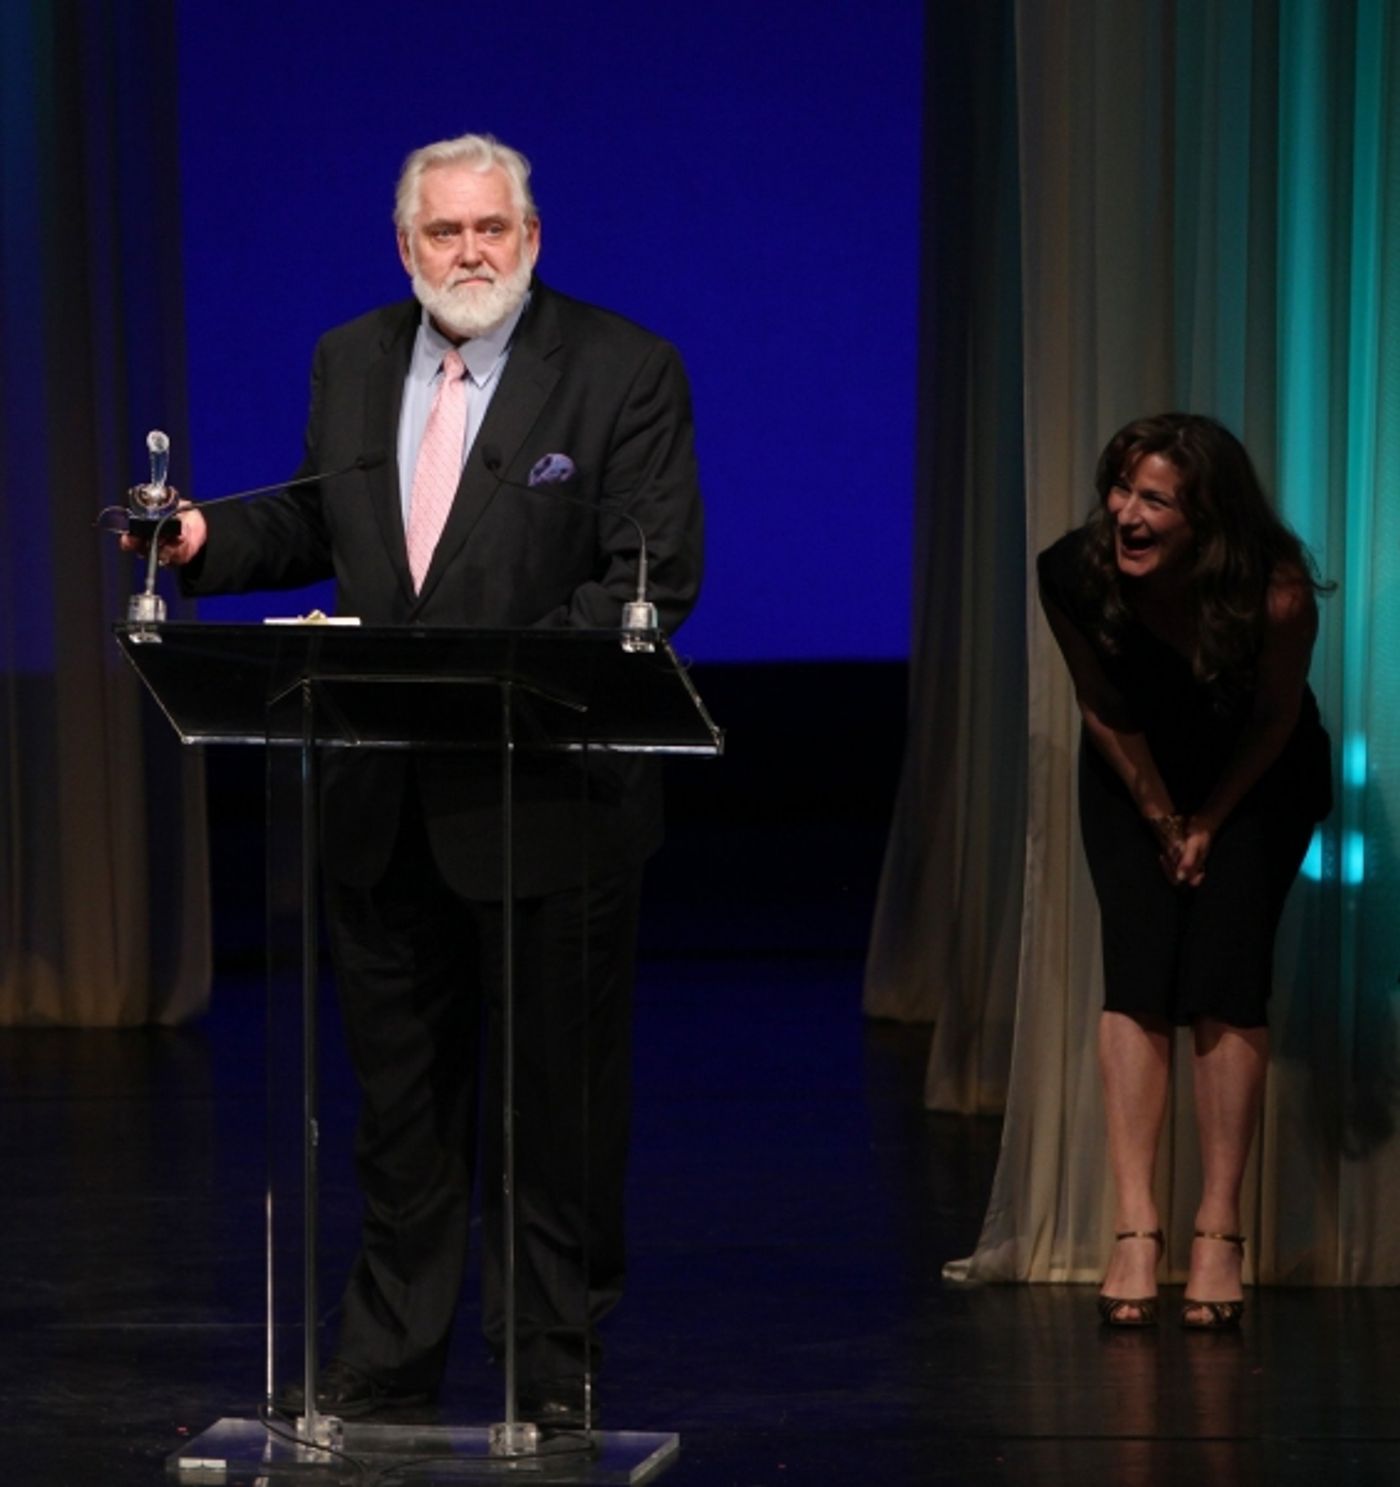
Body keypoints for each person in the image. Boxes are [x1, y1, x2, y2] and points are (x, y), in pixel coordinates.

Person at [150, 132, 704, 1420]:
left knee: (553, 1116)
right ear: (405, 246)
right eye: (443, 232)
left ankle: (549, 1367)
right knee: (398, 1116)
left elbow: (649, 573)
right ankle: (386, 1362)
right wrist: (204, 538)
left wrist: (480, 677)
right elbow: (319, 513)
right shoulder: (350, 357)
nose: (469, 253)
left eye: (490, 228)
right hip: (382, 805)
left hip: (545, 803)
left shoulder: (621, 367)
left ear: (531, 238)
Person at [1037, 413, 1331, 1330]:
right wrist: (1164, 813)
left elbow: (1276, 719)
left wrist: (1209, 821)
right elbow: (1100, 704)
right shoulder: (1073, 572)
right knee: (1138, 973)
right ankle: (1135, 1227)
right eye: (1120, 490)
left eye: (1154, 500)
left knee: (1225, 978)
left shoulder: (1275, 593)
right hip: (1134, 772)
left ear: (1206, 518)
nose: (1126, 514)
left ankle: (1218, 1232)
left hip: (1256, 777)